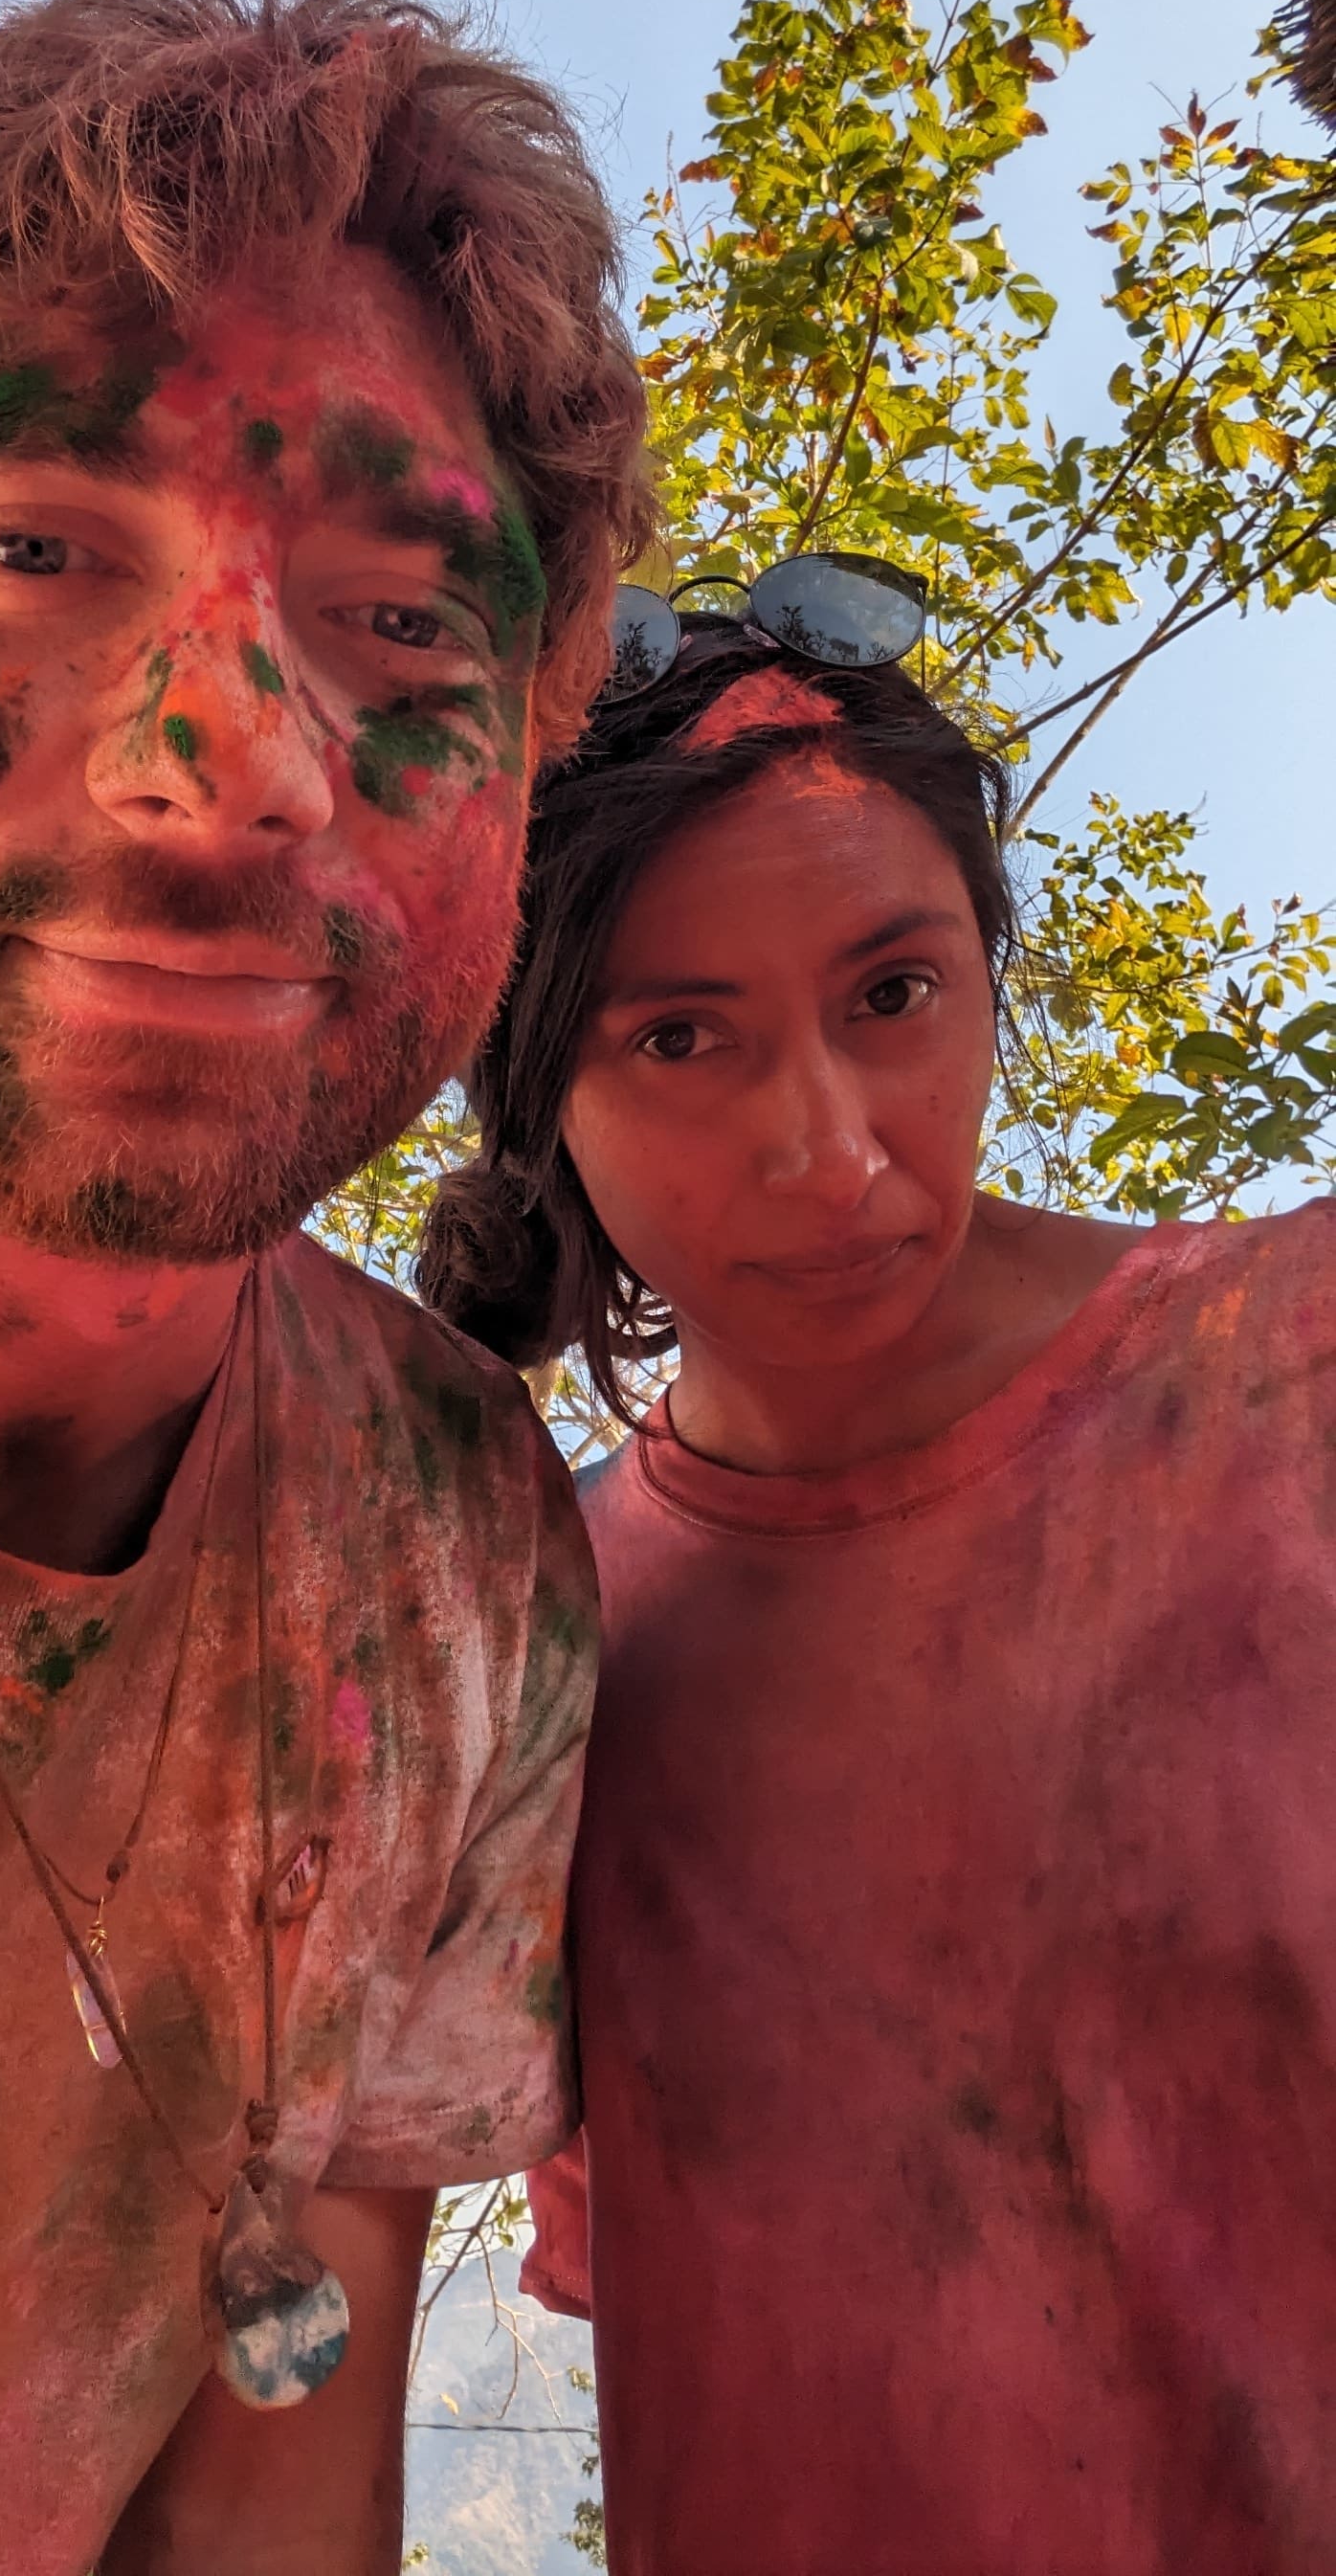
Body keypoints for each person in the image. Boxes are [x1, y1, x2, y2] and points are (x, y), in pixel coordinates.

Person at [0, 0, 653, 2574]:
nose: (232, 762)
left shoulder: (465, 1543)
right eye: (37, 556)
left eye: (409, 632)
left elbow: (274, 2476)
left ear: (522, 764)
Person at [418, 604, 1336, 2576]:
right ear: (541, 1102)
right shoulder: (527, 1637)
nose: (827, 1152)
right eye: (679, 1037)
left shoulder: (1298, 1378)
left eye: (895, 995)